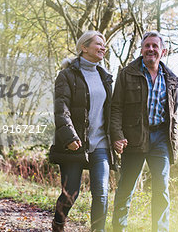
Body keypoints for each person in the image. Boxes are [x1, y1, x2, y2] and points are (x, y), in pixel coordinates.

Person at [111, 31, 178, 232]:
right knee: (126, 188)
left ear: (163, 51)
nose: (151, 49)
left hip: (160, 139)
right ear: (141, 50)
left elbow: (174, 115)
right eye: (147, 46)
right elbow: (116, 108)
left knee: (161, 188)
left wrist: (172, 142)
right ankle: (119, 229)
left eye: (155, 46)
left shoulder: (171, 79)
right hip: (134, 137)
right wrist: (117, 135)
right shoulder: (127, 73)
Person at [50, 30, 116, 232]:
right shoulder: (67, 76)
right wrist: (69, 137)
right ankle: (59, 223)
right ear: (84, 47)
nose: (103, 47)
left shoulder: (105, 77)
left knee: (102, 192)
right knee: (71, 192)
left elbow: (111, 111)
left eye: (104, 44)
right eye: (98, 43)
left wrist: (117, 137)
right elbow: (61, 109)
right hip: (75, 143)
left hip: (101, 143)